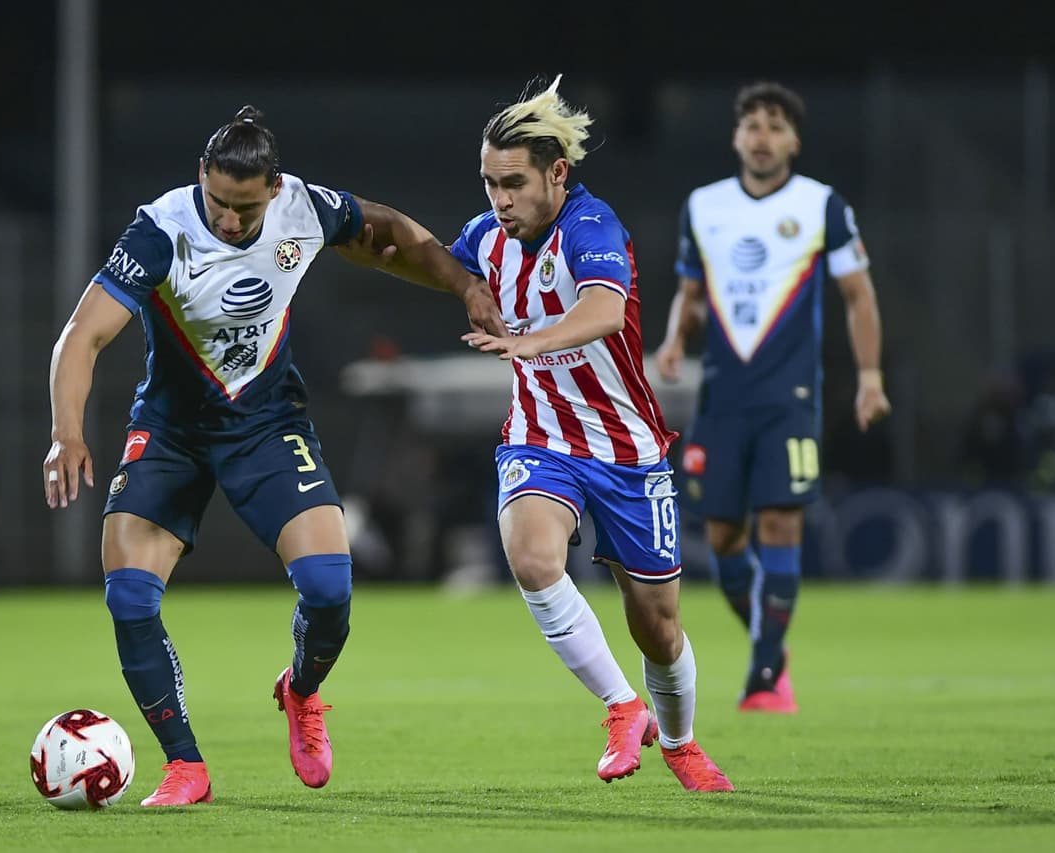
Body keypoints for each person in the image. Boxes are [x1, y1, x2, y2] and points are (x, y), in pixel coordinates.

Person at [42, 106, 502, 807]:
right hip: (172, 433)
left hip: (266, 426)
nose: (228, 221)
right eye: (219, 203)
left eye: (244, 208)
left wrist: (465, 286)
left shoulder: (304, 209)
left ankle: (302, 690)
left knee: (329, 590)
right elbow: (82, 334)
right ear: (202, 177)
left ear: (273, 187)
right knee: (130, 597)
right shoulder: (161, 230)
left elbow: (394, 236)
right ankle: (185, 765)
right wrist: (65, 432)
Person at [358, 75, 733, 791]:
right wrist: (355, 232)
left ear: (558, 174)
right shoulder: (488, 238)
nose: (500, 200)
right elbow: (424, 254)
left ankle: (680, 741)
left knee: (658, 625)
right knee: (532, 555)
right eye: (490, 183)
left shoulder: (593, 228)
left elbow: (604, 310)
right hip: (542, 436)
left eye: (515, 183)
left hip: (627, 446)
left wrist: (535, 343)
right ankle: (623, 707)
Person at [654, 81, 891, 712]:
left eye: (775, 126)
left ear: (794, 140)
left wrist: (870, 377)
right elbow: (692, 289)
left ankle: (763, 676)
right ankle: (772, 645)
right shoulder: (704, 206)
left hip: (790, 395)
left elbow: (858, 295)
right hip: (724, 397)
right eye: (752, 125)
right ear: (737, 137)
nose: (762, 137)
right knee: (726, 536)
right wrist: (675, 339)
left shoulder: (822, 206)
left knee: (782, 520)